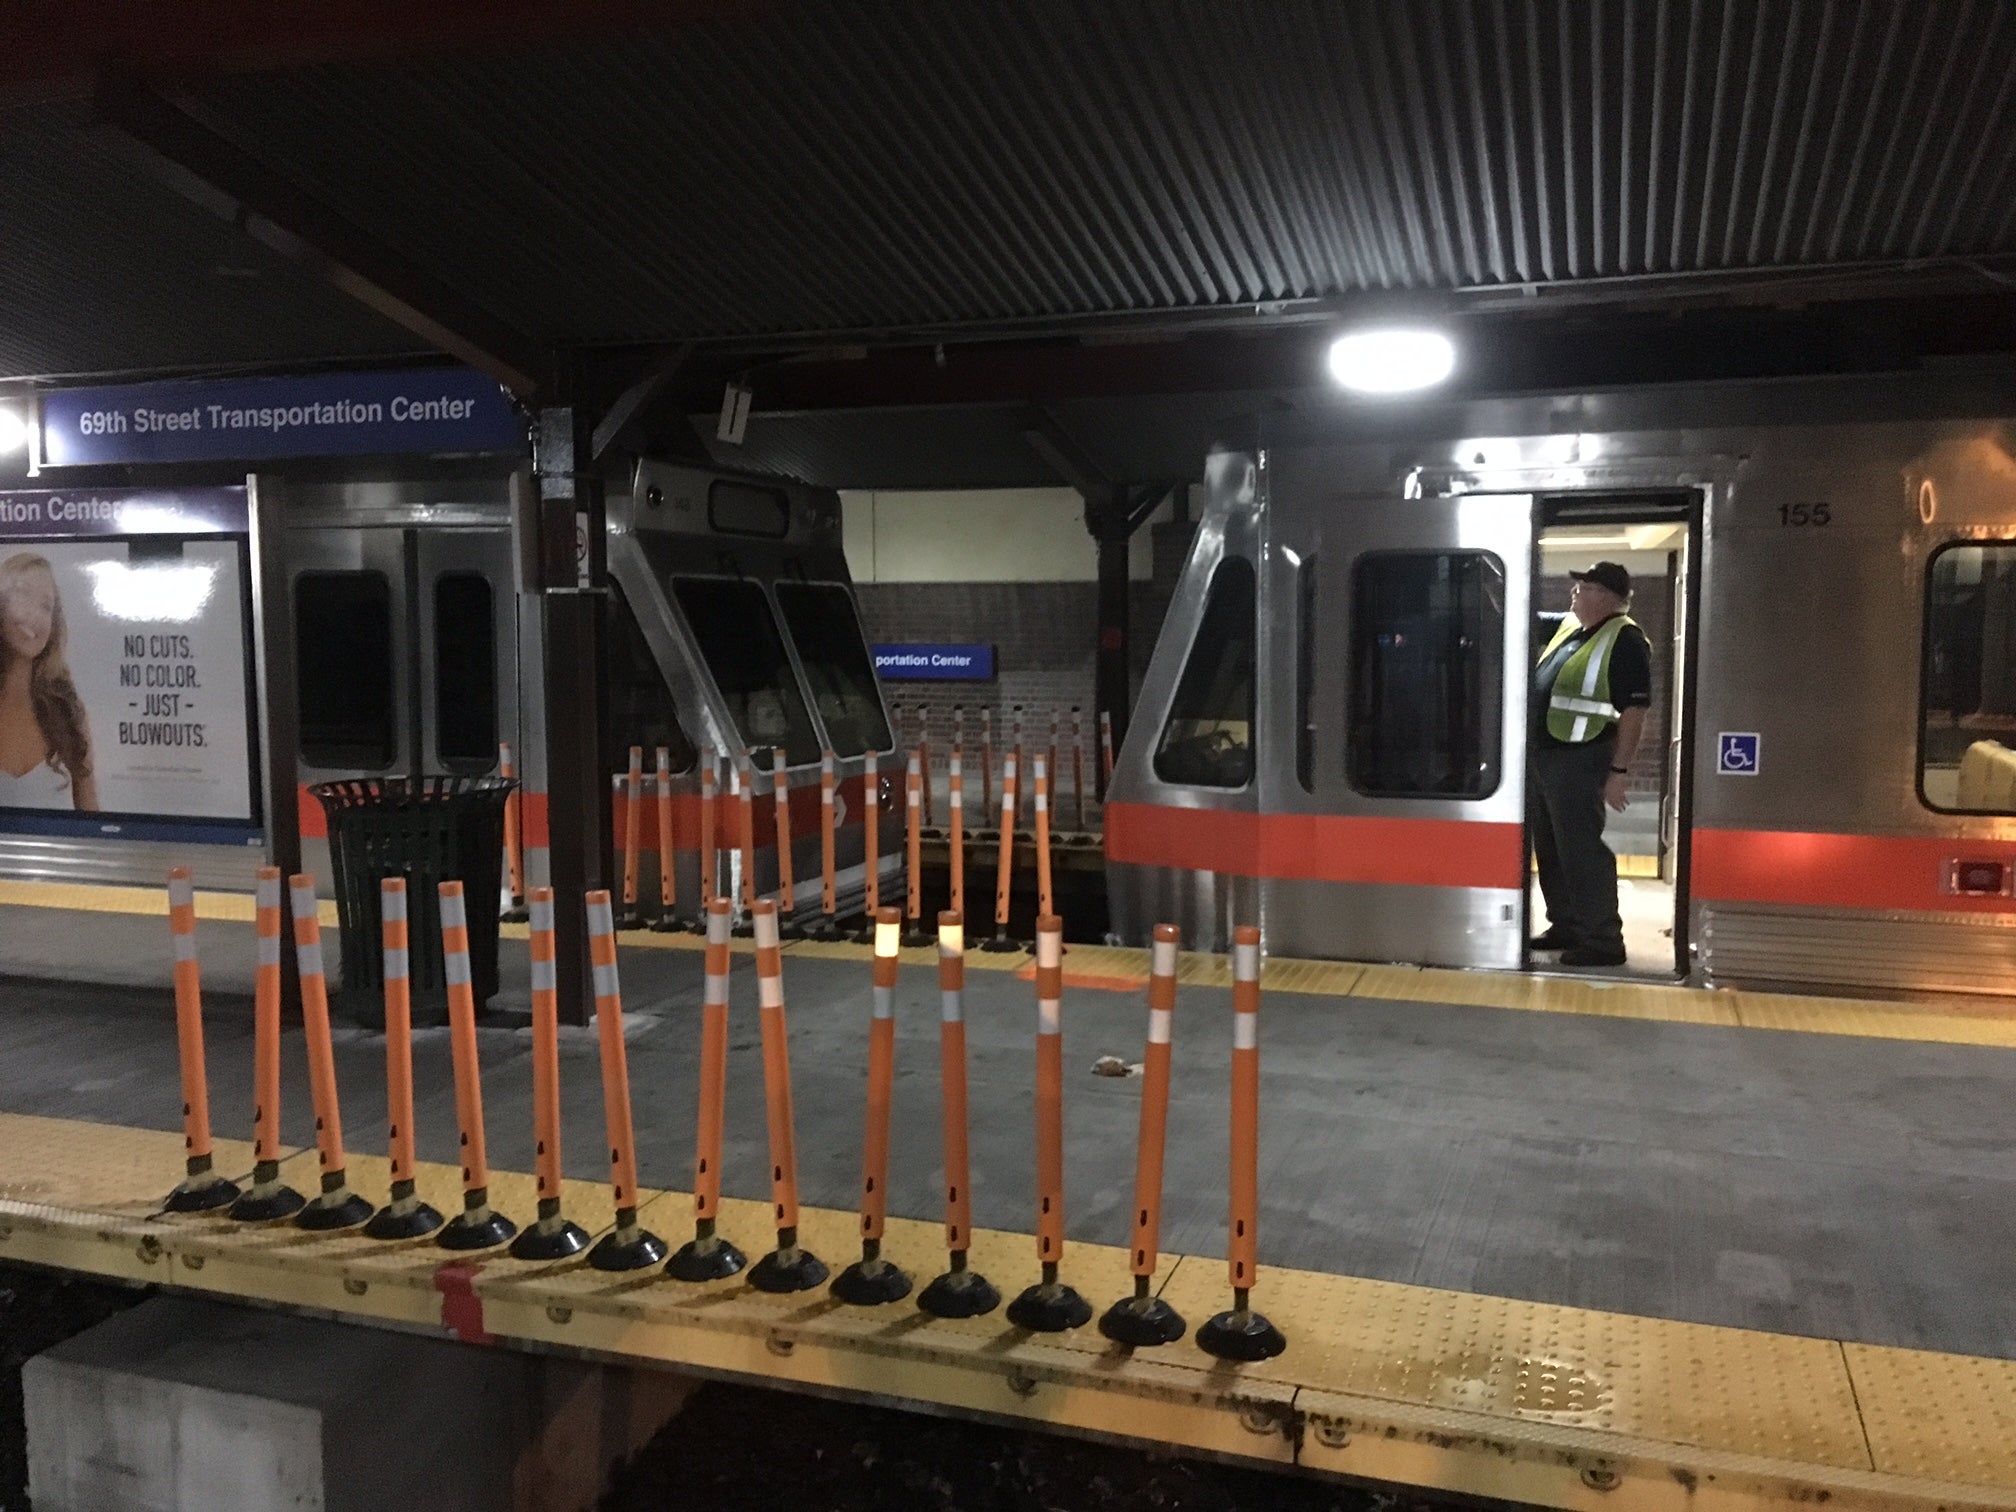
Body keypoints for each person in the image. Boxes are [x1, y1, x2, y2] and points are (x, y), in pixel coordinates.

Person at [1528, 561, 1648, 967]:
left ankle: (1603, 941)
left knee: (1580, 850)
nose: (1575, 592)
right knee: (1551, 847)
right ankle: (1566, 925)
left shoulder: (1626, 640)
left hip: (1581, 758)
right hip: (1548, 756)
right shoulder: (1570, 627)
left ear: (1607, 597)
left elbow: (1634, 712)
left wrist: (1618, 773)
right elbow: (1520, 611)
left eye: (1585, 587)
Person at [0, 552, 98, 812]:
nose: (34, 613)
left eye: (46, 606)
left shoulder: (69, 713)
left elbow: (91, 819)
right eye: (23, 594)